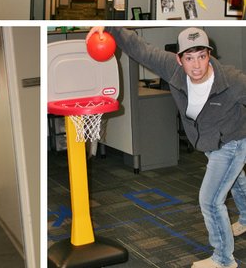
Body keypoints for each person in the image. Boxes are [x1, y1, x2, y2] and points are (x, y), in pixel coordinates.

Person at [86, 26, 246, 268]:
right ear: (179, 59)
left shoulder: (232, 81)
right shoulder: (172, 69)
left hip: (233, 141)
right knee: (236, 179)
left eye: (202, 56)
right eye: (189, 58)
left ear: (209, 55)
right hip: (209, 142)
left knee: (211, 200)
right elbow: (141, 49)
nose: (197, 66)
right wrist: (108, 27)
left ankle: (224, 259)